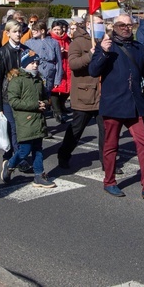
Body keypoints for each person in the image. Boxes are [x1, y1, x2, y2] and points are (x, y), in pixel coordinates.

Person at [88, 13, 144, 200]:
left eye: (129, 25)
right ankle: (109, 181)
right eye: (121, 24)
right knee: (111, 145)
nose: (126, 27)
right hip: (113, 104)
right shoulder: (106, 45)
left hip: (135, 104)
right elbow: (93, 71)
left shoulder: (138, 47)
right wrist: (103, 53)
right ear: (114, 26)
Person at [57, 12, 109, 171]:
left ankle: (106, 162)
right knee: (76, 130)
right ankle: (64, 155)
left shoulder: (104, 40)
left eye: (102, 23)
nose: (100, 26)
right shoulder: (78, 43)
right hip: (84, 94)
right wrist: (90, 54)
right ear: (88, 25)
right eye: (97, 23)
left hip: (103, 94)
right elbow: (73, 64)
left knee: (106, 131)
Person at [0, 50, 56, 189]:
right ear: (25, 64)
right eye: (32, 63)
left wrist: (45, 103)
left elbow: (45, 97)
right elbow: (14, 102)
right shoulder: (17, 80)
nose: (35, 65)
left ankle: (39, 175)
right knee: (24, 150)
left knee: (38, 149)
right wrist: (35, 105)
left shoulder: (38, 80)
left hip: (38, 119)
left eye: (37, 63)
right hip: (25, 120)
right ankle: (10, 165)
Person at [0, 19, 29, 166]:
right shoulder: (2, 52)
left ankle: (12, 153)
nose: (18, 34)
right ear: (7, 33)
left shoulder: (25, 50)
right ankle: (19, 159)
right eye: (14, 31)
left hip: (23, 96)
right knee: (13, 127)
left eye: (20, 31)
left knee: (21, 128)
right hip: (7, 97)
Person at [24, 21, 62, 126]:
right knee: (36, 98)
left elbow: (59, 62)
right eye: (32, 30)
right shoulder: (29, 43)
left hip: (49, 75)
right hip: (36, 73)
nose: (33, 32)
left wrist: (57, 79)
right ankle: (38, 123)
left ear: (42, 31)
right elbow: (25, 61)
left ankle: (42, 122)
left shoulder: (54, 43)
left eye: (35, 30)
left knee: (45, 99)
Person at [48, 20, 72, 125]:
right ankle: (57, 112)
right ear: (51, 30)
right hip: (55, 66)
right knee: (55, 89)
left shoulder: (67, 39)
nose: (57, 31)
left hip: (66, 66)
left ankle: (61, 105)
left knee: (68, 88)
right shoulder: (49, 39)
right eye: (55, 29)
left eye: (59, 29)